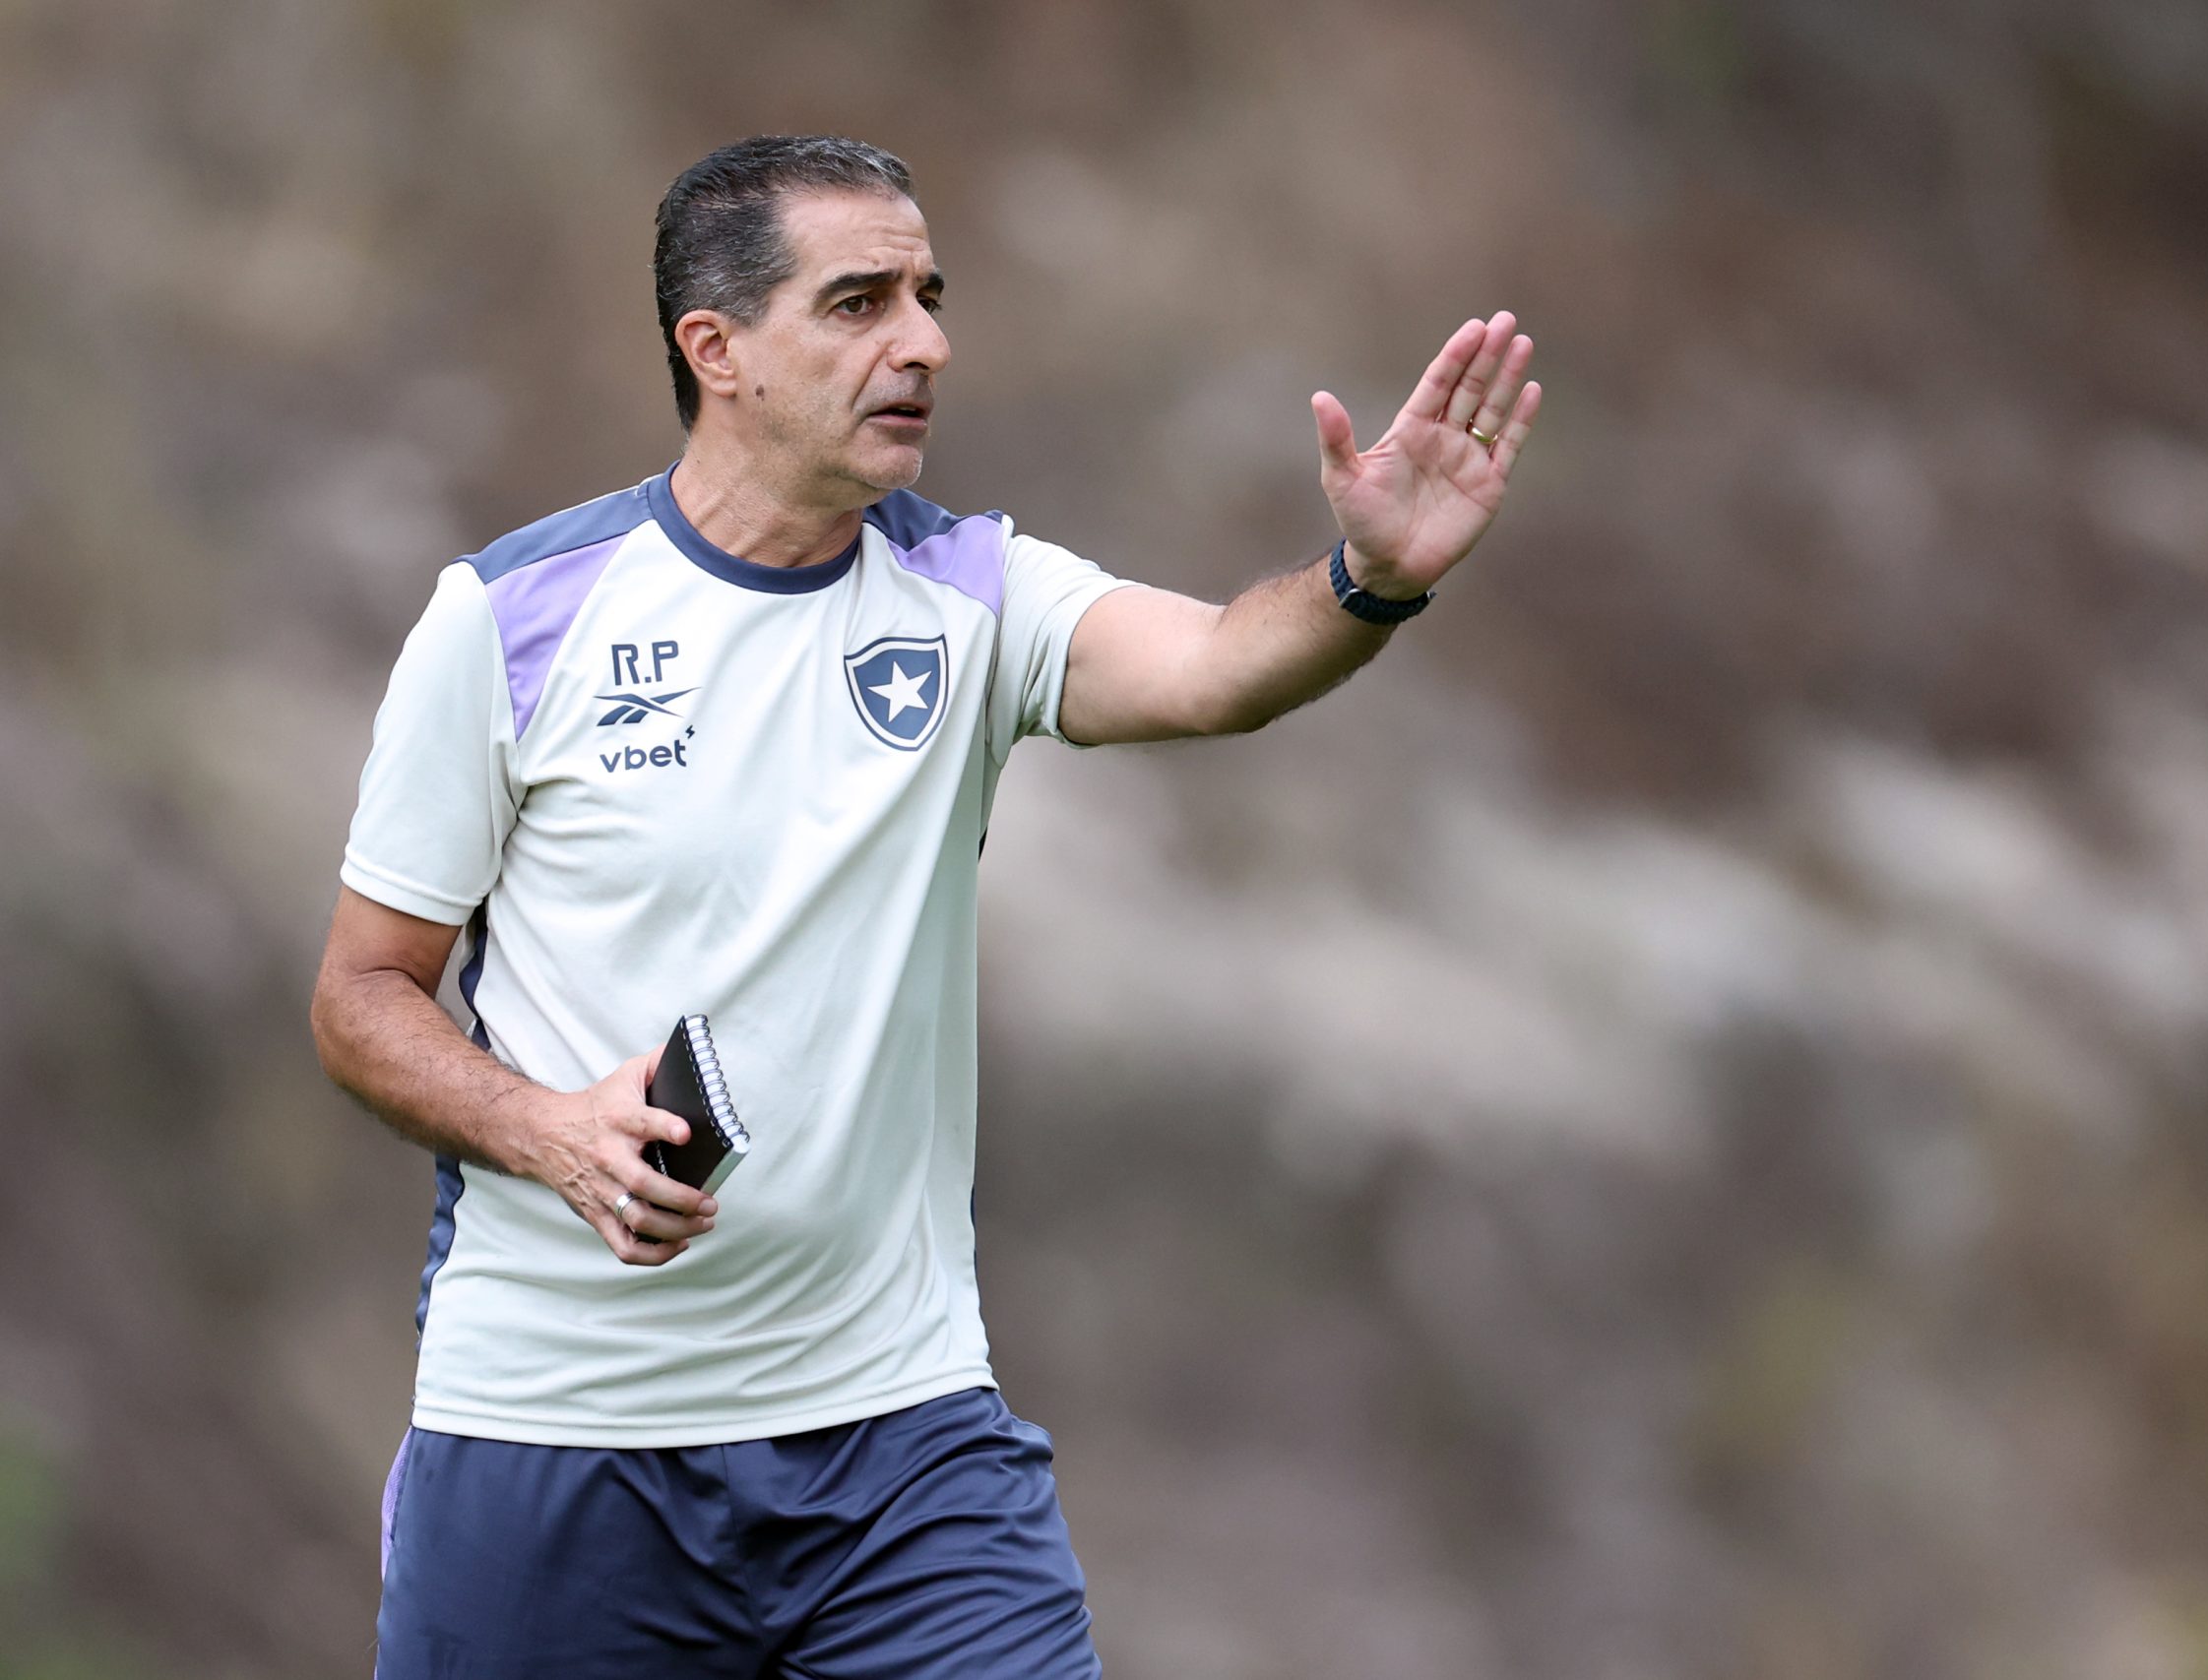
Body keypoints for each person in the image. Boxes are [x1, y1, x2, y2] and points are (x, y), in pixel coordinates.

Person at [311, 133, 1541, 1679]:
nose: (926, 342)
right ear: (719, 351)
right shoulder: (509, 619)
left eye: (930, 295)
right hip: (557, 1436)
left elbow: (1221, 667)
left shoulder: (973, 594)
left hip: (897, 1447)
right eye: (859, 301)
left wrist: (1370, 579)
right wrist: (548, 1128)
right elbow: (363, 999)